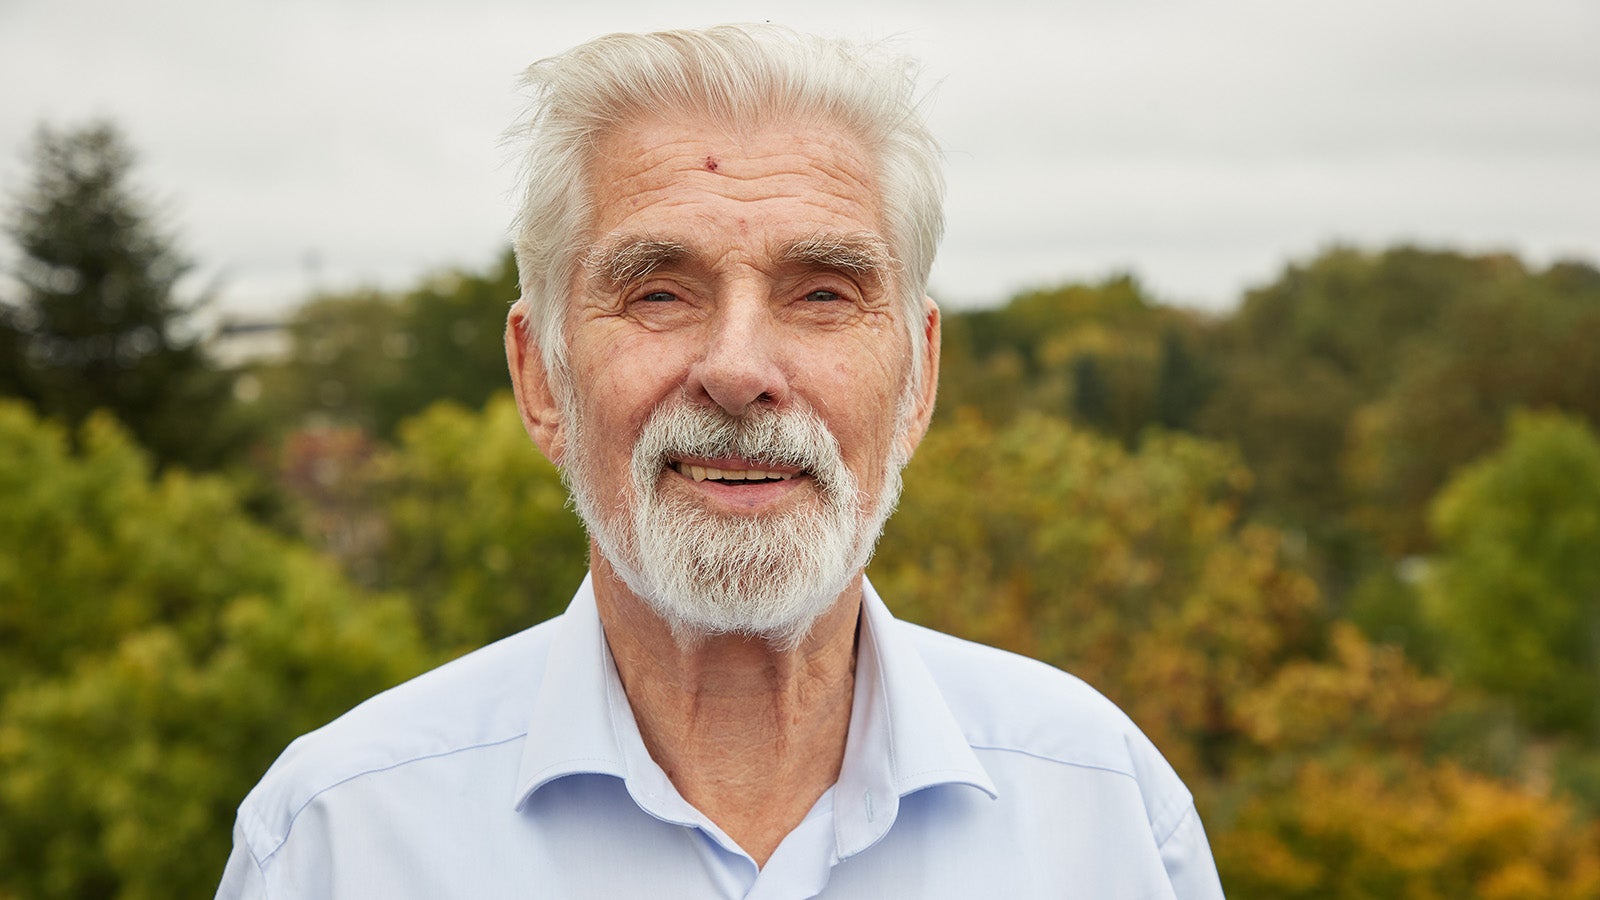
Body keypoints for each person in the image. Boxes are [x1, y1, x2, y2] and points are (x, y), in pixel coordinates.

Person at [216, 24, 1224, 899]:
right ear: (540, 379)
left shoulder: (1105, 813)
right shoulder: (340, 839)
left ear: (916, 380)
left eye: (823, 293)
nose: (739, 371)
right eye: (658, 292)